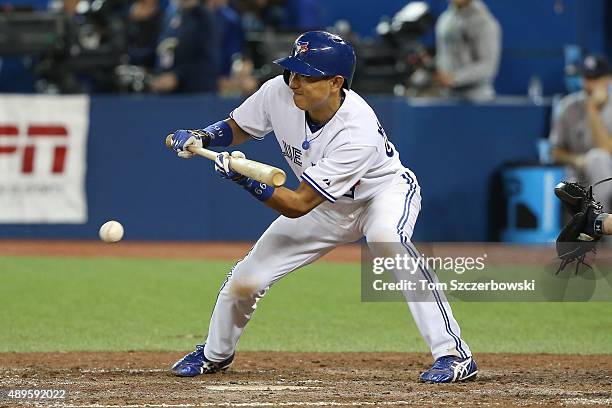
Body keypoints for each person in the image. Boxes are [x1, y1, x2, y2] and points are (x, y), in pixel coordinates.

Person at [166, 31, 477, 383]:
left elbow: (298, 205)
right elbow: (238, 127)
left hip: (379, 195)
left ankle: (454, 355)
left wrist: (246, 180)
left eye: (306, 75)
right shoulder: (278, 92)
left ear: (335, 83)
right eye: (292, 72)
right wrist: (202, 136)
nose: (294, 82)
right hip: (325, 208)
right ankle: (215, 354)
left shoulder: (356, 131)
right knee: (245, 281)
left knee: (387, 241)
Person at [550, 55, 612, 211]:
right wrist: (578, 160)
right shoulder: (568, 106)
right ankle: (596, 226)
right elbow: (555, 152)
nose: (588, 84)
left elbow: (607, 150)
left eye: (595, 78)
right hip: (578, 174)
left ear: (608, 79)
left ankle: (599, 226)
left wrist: (592, 110)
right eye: (586, 77)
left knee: (598, 159)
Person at [434, 0, 501, 101]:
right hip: (447, 96)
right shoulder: (445, 19)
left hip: (476, 99)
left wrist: (454, 78)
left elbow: (488, 66)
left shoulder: (484, 22)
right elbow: (443, 56)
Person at [149, 0, 220, 93]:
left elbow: (209, 62)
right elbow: (161, 49)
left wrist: (177, 77)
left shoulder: (205, 18)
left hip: (194, 94)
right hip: (165, 93)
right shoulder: (169, 15)